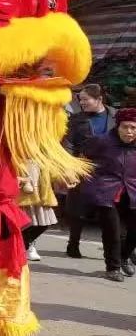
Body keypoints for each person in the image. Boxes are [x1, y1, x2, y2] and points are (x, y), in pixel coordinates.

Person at [81, 107, 136, 281]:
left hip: (132, 192)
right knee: (112, 231)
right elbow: (84, 159)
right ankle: (113, 268)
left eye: (133, 128)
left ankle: (124, 257)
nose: (129, 131)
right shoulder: (102, 141)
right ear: (118, 126)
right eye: (125, 127)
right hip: (106, 192)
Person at [62, 84, 114, 258]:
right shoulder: (76, 119)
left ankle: (112, 250)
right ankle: (73, 243)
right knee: (78, 210)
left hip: (110, 170)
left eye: (86, 99)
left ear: (99, 99)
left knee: (109, 210)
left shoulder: (115, 116)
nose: (82, 103)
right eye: (80, 100)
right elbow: (68, 143)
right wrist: (70, 166)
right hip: (83, 166)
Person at [18, 162, 56, 263]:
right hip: (24, 192)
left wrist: (66, 176)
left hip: (41, 191)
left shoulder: (44, 155)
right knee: (25, 225)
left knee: (43, 224)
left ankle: (25, 245)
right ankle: (24, 247)